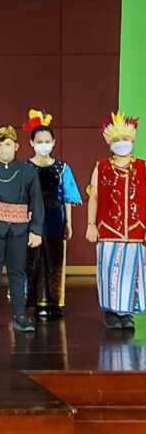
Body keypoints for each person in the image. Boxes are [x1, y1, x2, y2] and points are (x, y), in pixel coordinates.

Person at [0, 125, 44, 334]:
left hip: (19, 228)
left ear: (16, 146)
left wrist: (36, 229)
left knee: (17, 271)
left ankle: (20, 315)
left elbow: (36, 202)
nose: (4, 149)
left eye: (8, 144)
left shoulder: (28, 171)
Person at [86, 111, 146, 330]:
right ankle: (111, 312)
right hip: (108, 230)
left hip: (136, 231)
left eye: (125, 139)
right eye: (117, 139)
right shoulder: (101, 166)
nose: (122, 143)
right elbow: (94, 197)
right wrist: (91, 224)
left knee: (131, 272)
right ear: (109, 142)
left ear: (133, 140)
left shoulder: (143, 167)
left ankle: (127, 312)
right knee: (110, 271)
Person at [23, 110, 81, 319]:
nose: (43, 145)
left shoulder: (62, 168)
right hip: (31, 220)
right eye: (39, 141)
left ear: (54, 142)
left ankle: (54, 302)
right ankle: (34, 302)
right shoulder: (25, 168)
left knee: (55, 260)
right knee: (33, 261)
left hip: (55, 217)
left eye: (47, 141)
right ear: (32, 143)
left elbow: (67, 197)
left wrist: (69, 222)